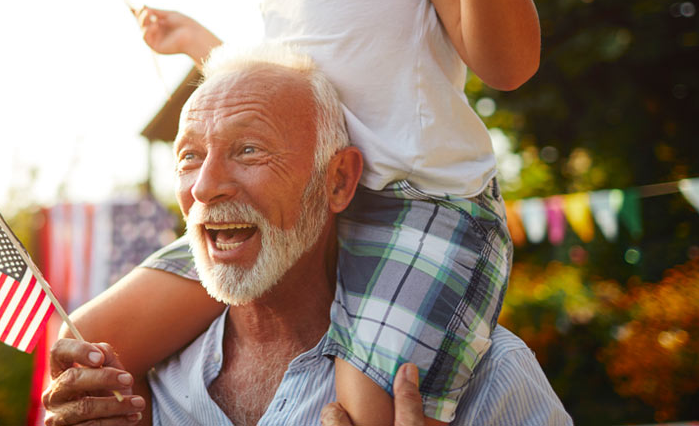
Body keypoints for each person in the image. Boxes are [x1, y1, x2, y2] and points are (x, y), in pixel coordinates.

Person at [73, 0, 541, 424]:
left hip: (421, 205)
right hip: (305, 202)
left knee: (368, 409)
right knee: (88, 344)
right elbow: (280, 96)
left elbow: (508, 63)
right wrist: (191, 42)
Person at [42, 46, 570, 426]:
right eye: (189, 157)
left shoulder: (489, 372)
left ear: (338, 180)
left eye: (248, 150)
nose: (203, 188)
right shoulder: (135, 383)